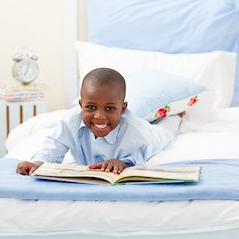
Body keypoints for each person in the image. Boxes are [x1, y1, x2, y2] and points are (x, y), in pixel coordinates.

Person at [16, 67, 182, 176]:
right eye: (91, 107)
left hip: (151, 136)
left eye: (109, 108)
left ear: (122, 109)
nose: (99, 117)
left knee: (165, 132)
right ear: (81, 105)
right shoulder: (70, 122)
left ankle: (176, 116)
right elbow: (52, 150)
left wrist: (122, 162)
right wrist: (37, 163)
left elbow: (139, 156)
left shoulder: (133, 128)